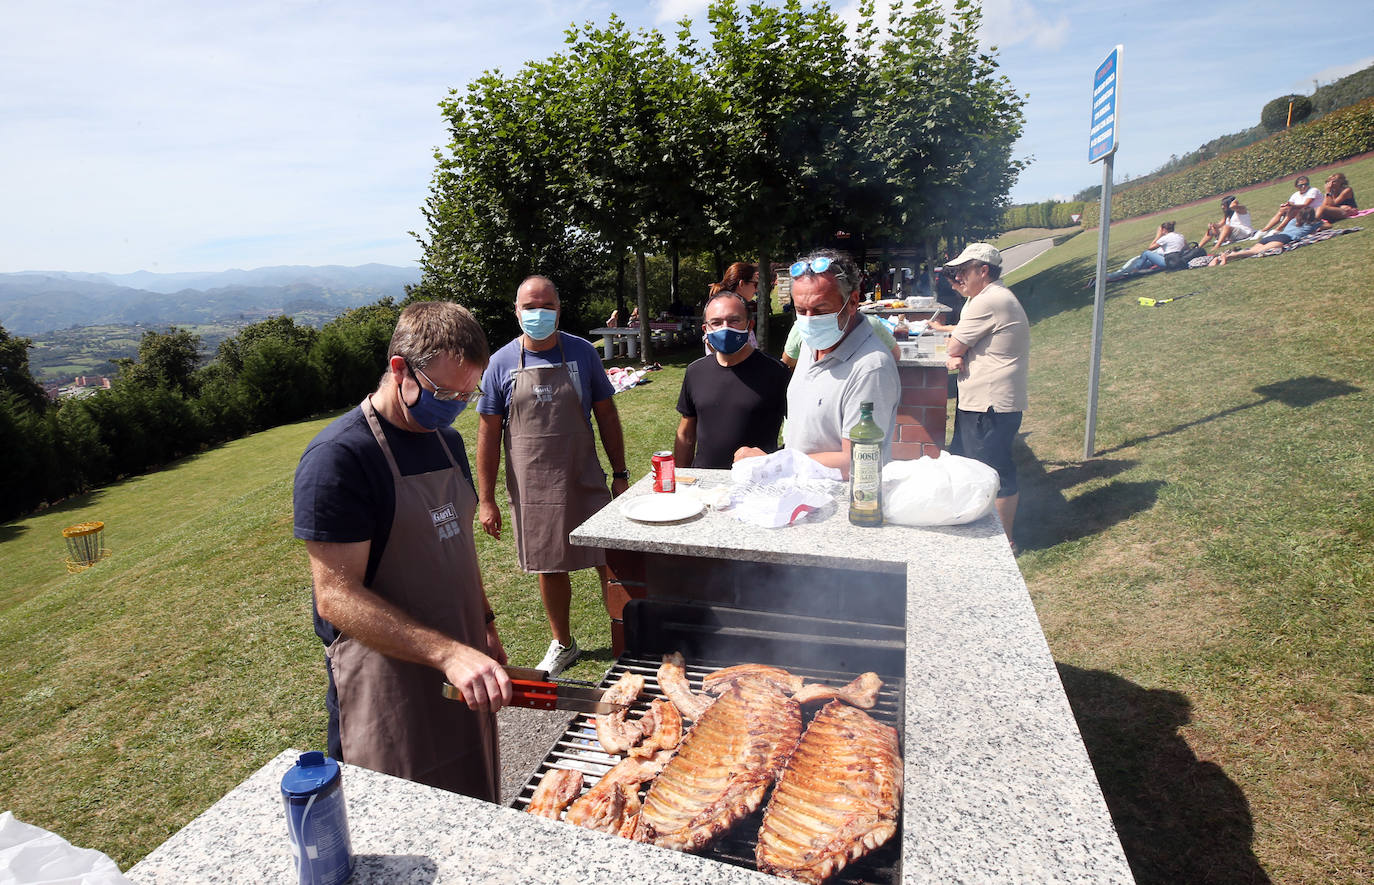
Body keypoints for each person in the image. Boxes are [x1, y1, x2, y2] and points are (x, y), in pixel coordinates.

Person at [293, 301, 509, 799]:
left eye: (466, 394)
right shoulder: (341, 458)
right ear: (399, 370)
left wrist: (485, 624)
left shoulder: (446, 442)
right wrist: (447, 651)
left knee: (473, 805)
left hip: (462, 667)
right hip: (386, 687)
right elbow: (335, 597)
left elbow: (457, 548)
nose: (454, 404)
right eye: (442, 392)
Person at [476, 275, 629, 676]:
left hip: (583, 476)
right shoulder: (500, 363)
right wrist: (487, 498)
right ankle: (563, 641)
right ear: (516, 310)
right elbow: (488, 433)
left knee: (606, 558)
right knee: (549, 563)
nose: (538, 313)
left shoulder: (582, 353)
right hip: (533, 487)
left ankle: (628, 637)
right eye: (529, 306)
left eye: (546, 306)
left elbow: (606, 414)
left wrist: (620, 473)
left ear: (558, 309)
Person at [735, 249, 899, 477]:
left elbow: (855, 460)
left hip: (840, 504)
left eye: (820, 310)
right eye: (801, 310)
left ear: (852, 302)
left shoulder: (871, 368)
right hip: (802, 492)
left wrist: (775, 463)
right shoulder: (810, 345)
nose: (809, 321)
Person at [928, 244, 1029, 550]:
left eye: (963, 271)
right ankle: (985, 535)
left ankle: (1004, 543)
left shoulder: (988, 300)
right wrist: (947, 330)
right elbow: (970, 335)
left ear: (983, 271)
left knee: (992, 470)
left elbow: (954, 348)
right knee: (977, 464)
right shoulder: (990, 297)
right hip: (987, 400)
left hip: (989, 402)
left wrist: (955, 348)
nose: (957, 277)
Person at [674, 291, 790, 469]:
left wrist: (774, 460)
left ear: (749, 325)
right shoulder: (695, 372)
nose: (725, 328)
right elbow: (686, 434)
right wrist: (679, 479)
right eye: (716, 323)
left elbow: (802, 435)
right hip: (703, 486)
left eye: (734, 320)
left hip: (755, 484)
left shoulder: (777, 372)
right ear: (706, 329)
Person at [1207, 206, 1328, 266]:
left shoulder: (1292, 221)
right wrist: (1317, 226)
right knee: (1254, 252)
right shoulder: (1313, 224)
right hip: (1285, 239)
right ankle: (1228, 257)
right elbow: (1329, 225)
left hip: (1272, 237)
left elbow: (1282, 226)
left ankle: (1221, 257)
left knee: (1252, 250)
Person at [780, 312, 899, 369]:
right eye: (801, 309)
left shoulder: (869, 325)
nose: (810, 315)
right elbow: (895, 355)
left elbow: (788, 361)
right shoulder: (871, 323)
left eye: (821, 307)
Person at [1253, 175, 1325, 237]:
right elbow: (1290, 204)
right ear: (1296, 186)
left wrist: (1291, 206)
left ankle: (1278, 229)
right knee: (1283, 209)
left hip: (1313, 212)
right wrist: (1286, 205)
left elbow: (1305, 205)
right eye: (1301, 185)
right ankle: (1264, 230)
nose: (1304, 186)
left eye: (1306, 184)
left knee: (1293, 209)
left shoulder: (1313, 190)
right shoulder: (1296, 194)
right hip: (1301, 212)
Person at [1118, 221, 1186, 273]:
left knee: (1146, 253)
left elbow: (1150, 248)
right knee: (1151, 259)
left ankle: (1135, 269)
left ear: (1164, 230)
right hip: (1179, 258)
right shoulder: (1180, 235)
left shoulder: (1165, 238)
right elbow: (1186, 247)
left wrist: (1158, 235)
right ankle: (1133, 268)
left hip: (1168, 262)